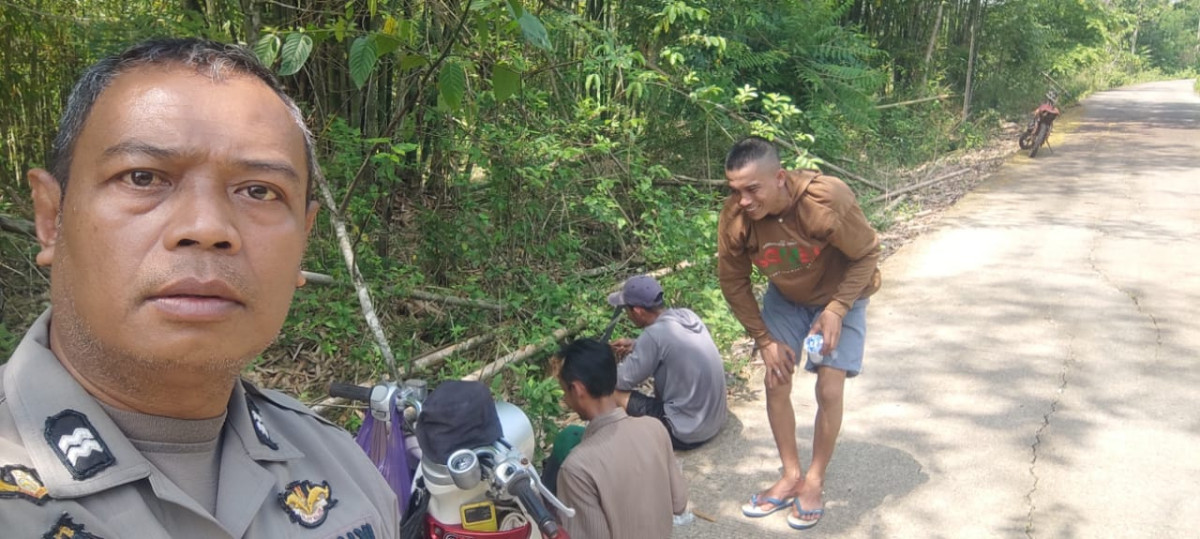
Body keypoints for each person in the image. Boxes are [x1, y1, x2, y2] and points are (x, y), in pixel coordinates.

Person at [0, 39, 400, 538]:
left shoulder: (348, 475)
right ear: (50, 218)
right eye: (143, 177)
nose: (208, 227)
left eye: (259, 191)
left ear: (303, 239)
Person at [717, 136, 881, 530]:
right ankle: (791, 474)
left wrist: (837, 309)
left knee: (828, 387)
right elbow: (733, 282)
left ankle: (814, 479)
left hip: (843, 294)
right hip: (787, 297)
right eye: (735, 190)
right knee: (775, 379)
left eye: (752, 189)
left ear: (780, 178)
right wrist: (764, 340)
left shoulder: (825, 200)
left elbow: (867, 253)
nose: (743, 200)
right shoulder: (736, 218)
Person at [553, 338, 688, 539]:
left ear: (578, 389)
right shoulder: (654, 428)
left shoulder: (577, 468)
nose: (565, 399)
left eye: (565, 391)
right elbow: (679, 503)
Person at [607, 274, 728, 449]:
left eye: (627, 309)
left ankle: (619, 443)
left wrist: (599, 367)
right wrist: (636, 345)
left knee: (611, 390)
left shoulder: (653, 335)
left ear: (638, 311)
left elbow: (620, 380)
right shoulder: (687, 316)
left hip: (686, 433)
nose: (627, 314)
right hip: (714, 421)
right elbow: (670, 346)